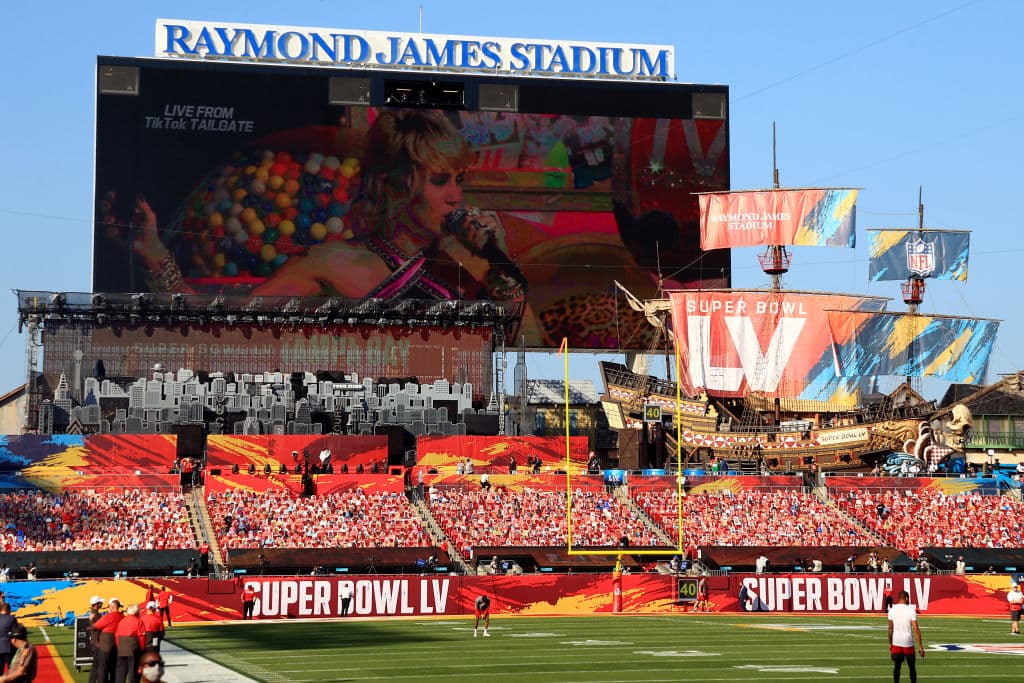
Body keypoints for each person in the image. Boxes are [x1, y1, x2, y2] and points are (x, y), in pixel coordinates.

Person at [131, 109, 526, 304]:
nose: (456, 197)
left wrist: (501, 264)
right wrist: (155, 256)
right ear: (396, 184)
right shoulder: (331, 263)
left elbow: (515, 351)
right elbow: (222, 327)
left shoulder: (475, 267)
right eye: (440, 180)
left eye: (460, 180)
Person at [887, 590, 924, 683]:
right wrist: (920, 647)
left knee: (897, 667)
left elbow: (890, 629)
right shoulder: (910, 610)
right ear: (906, 598)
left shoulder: (892, 610)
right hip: (908, 642)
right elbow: (916, 629)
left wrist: (890, 643)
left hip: (896, 642)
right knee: (912, 667)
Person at [92, 599, 123, 683]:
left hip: (106, 645)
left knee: (103, 667)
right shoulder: (122, 616)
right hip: (118, 645)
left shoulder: (108, 616)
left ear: (112, 607)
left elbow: (96, 626)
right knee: (114, 667)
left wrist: (90, 623)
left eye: (109, 606)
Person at [115, 605, 145, 683]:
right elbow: (142, 637)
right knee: (133, 673)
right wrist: (142, 649)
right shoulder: (138, 621)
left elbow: (117, 635)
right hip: (133, 649)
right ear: (137, 612)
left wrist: (119, 646)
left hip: (122, 649)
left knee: (121, 672)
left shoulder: (122, 621)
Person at [0, 604, 14, 674]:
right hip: (8, 647)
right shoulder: (12, 618)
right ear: (8, 610)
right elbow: (16, 632)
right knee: (11, 670)